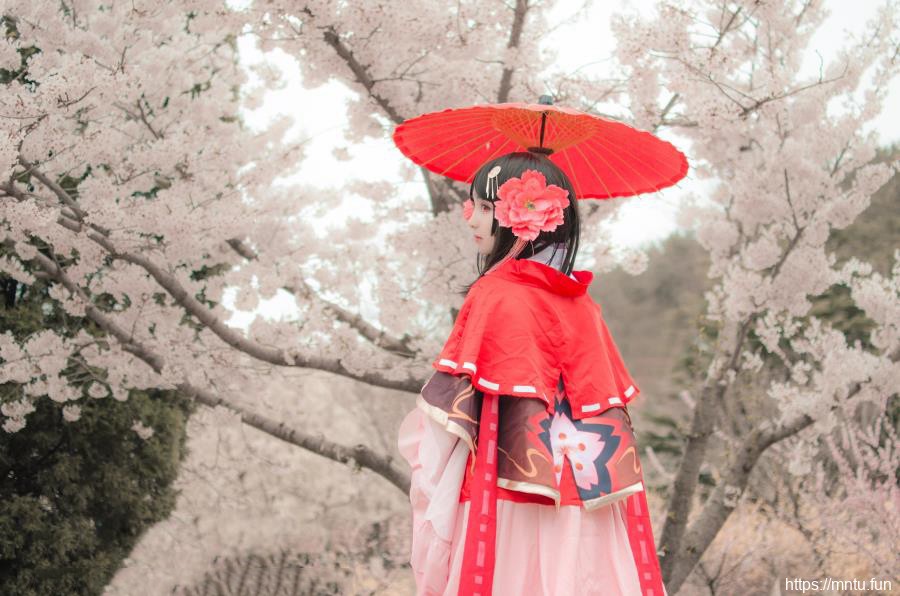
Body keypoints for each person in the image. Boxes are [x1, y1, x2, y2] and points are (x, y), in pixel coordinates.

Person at [397, 151, 666, 596]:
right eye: (474, 205)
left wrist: (432, 473)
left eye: (485, 208)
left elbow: (451, 421)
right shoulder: (582, 303)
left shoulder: (494, 294)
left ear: (519, 220)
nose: (472, 220)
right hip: (588, 491)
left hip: (505, 487)